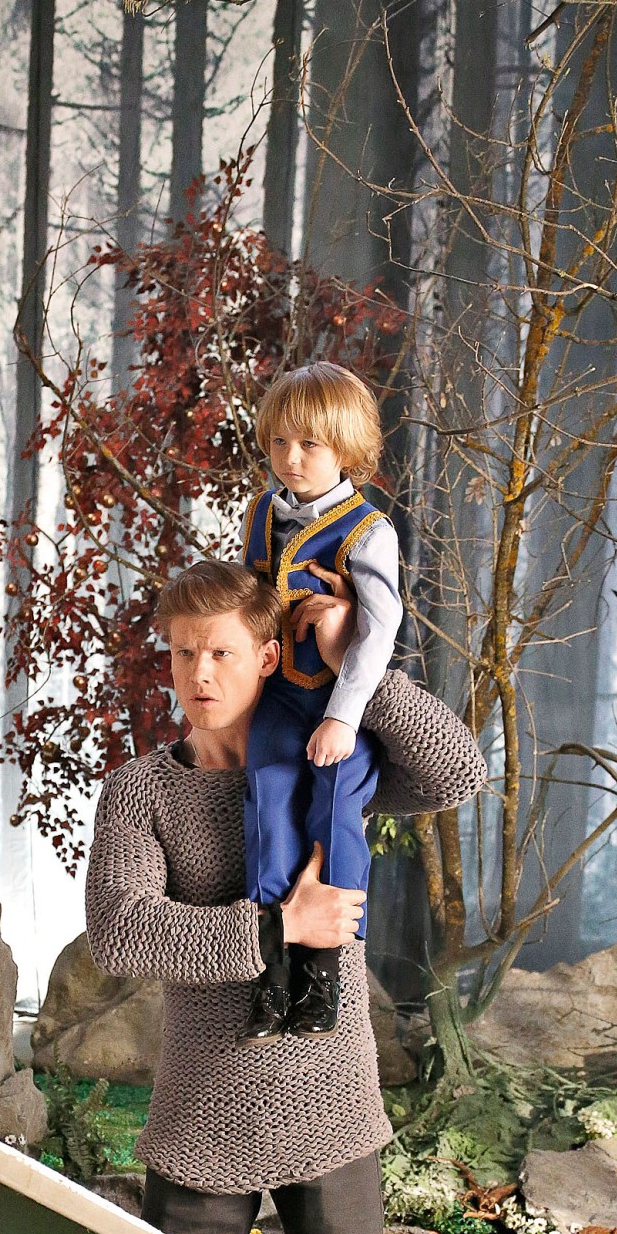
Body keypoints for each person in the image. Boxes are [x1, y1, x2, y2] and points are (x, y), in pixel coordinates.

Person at [69, 560, 485, 1234]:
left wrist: (357, 663)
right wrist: (274, 929)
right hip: (202, 1110)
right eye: (181, 651)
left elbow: (456, 769)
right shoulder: (141, 792)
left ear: (264, 653)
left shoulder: (324, 758)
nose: (198, 673)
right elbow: (123, 932)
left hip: (327, 1107)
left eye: (220, 651)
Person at [238, 361, 404, 1041]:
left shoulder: (367, 530)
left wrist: (343, 715)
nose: (291, 458)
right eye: (280, 442)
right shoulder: (262, 514)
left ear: (345, 448)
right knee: (267, 806)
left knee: (333, 812)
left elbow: (379, 631)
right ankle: (271, 965)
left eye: (309, 444)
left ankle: (325, 971)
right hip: (278, 696)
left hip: (338, 702)